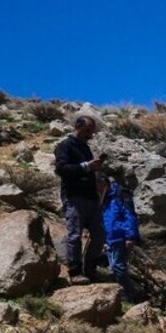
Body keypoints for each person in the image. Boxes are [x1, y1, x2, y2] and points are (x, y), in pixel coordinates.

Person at [54, 116, 105, 283]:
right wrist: (87, 166)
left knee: (99, 235)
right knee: (75, 235)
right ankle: (75, 272)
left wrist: (97, 178)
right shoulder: (65, 145)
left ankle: (90, 269)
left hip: (91, 198)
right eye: (87, 131)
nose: (90, 135)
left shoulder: (85, 148)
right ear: (77, 126)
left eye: (92, 132)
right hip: (74, 196)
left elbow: (87, 171)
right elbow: (62, 169)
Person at [102, 170, 144, 302]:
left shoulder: (120, 195)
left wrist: (130, 237)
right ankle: (125, 293)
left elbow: (129, 216)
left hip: (120, 236)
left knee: (117, 266)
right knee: (114, 267)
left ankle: (129, 293)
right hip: (110, 238)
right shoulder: (105, 197)